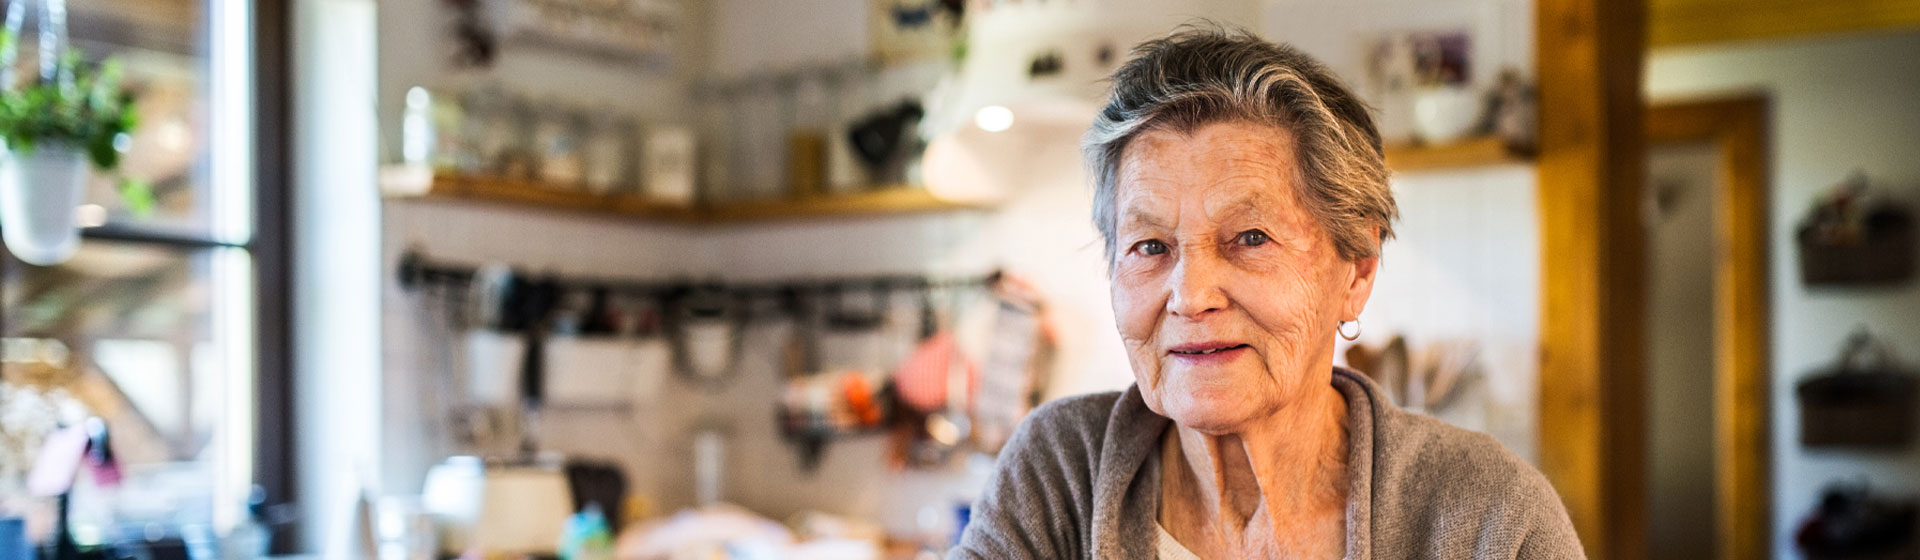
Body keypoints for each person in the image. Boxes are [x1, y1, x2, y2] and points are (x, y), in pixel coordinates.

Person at [949, 27, 1583, 559]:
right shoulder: (1060, 473)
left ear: (1356, 271)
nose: (1191, 296)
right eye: (1150, 247)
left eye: (1249, 237)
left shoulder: (1487, 519)